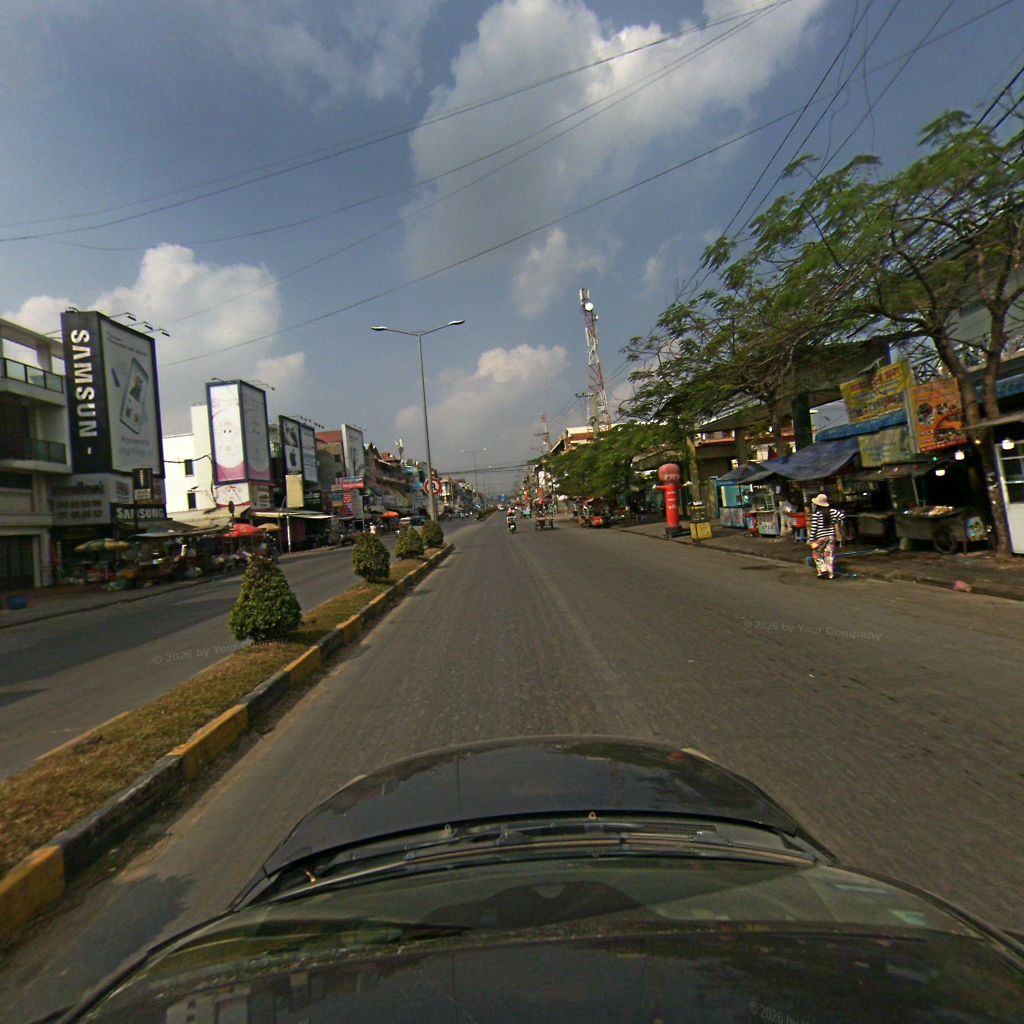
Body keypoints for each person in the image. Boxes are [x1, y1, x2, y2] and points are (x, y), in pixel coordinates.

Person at [808, 493, 845, 579]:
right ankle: (830, 574)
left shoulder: (816, 514)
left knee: (817, 554)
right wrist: (835, 521)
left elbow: (814, 528)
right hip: (831, 537)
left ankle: (823, 570)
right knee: (829, 555)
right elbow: (842, 516)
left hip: (820, 537)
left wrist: (811, 539)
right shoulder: (833, 512)